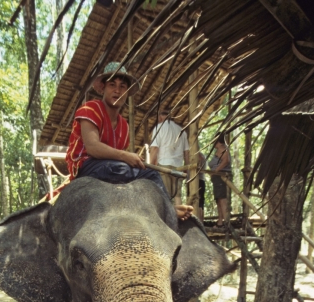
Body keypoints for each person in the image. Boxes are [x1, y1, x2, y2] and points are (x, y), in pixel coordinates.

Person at [65, 63, 193, 220]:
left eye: (122, 86)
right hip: (86, 166)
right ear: (103, 88)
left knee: (150, 173)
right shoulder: (90, 109)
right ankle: (167, 211)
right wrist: (126, 156)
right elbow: (92, 147)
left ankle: (167, 207)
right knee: (122, 169)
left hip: (111, 167)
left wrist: (130, 161)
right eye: (112, 85)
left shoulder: (124, 126)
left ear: (126, 92)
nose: (117, 90)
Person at [149, 110, 190, 206]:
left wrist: (150, 166)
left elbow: (154, 148)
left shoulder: (159, 128)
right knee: (177, 196)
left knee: (166, 195)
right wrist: (187, 168)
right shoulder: (181, 130)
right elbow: (186, 152)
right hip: (179, 166)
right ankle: (179, 220)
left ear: (160, 117)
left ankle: (169, 219)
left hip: (164, 165)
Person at [208, 134, 232, 228]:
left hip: (221, 176)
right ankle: (220, 221)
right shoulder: (219, 150)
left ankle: (226, 222)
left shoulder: (223, 148)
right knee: (219, 199)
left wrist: (216, 171)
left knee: (222, 199)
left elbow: (226, 160)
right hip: (217, 178)